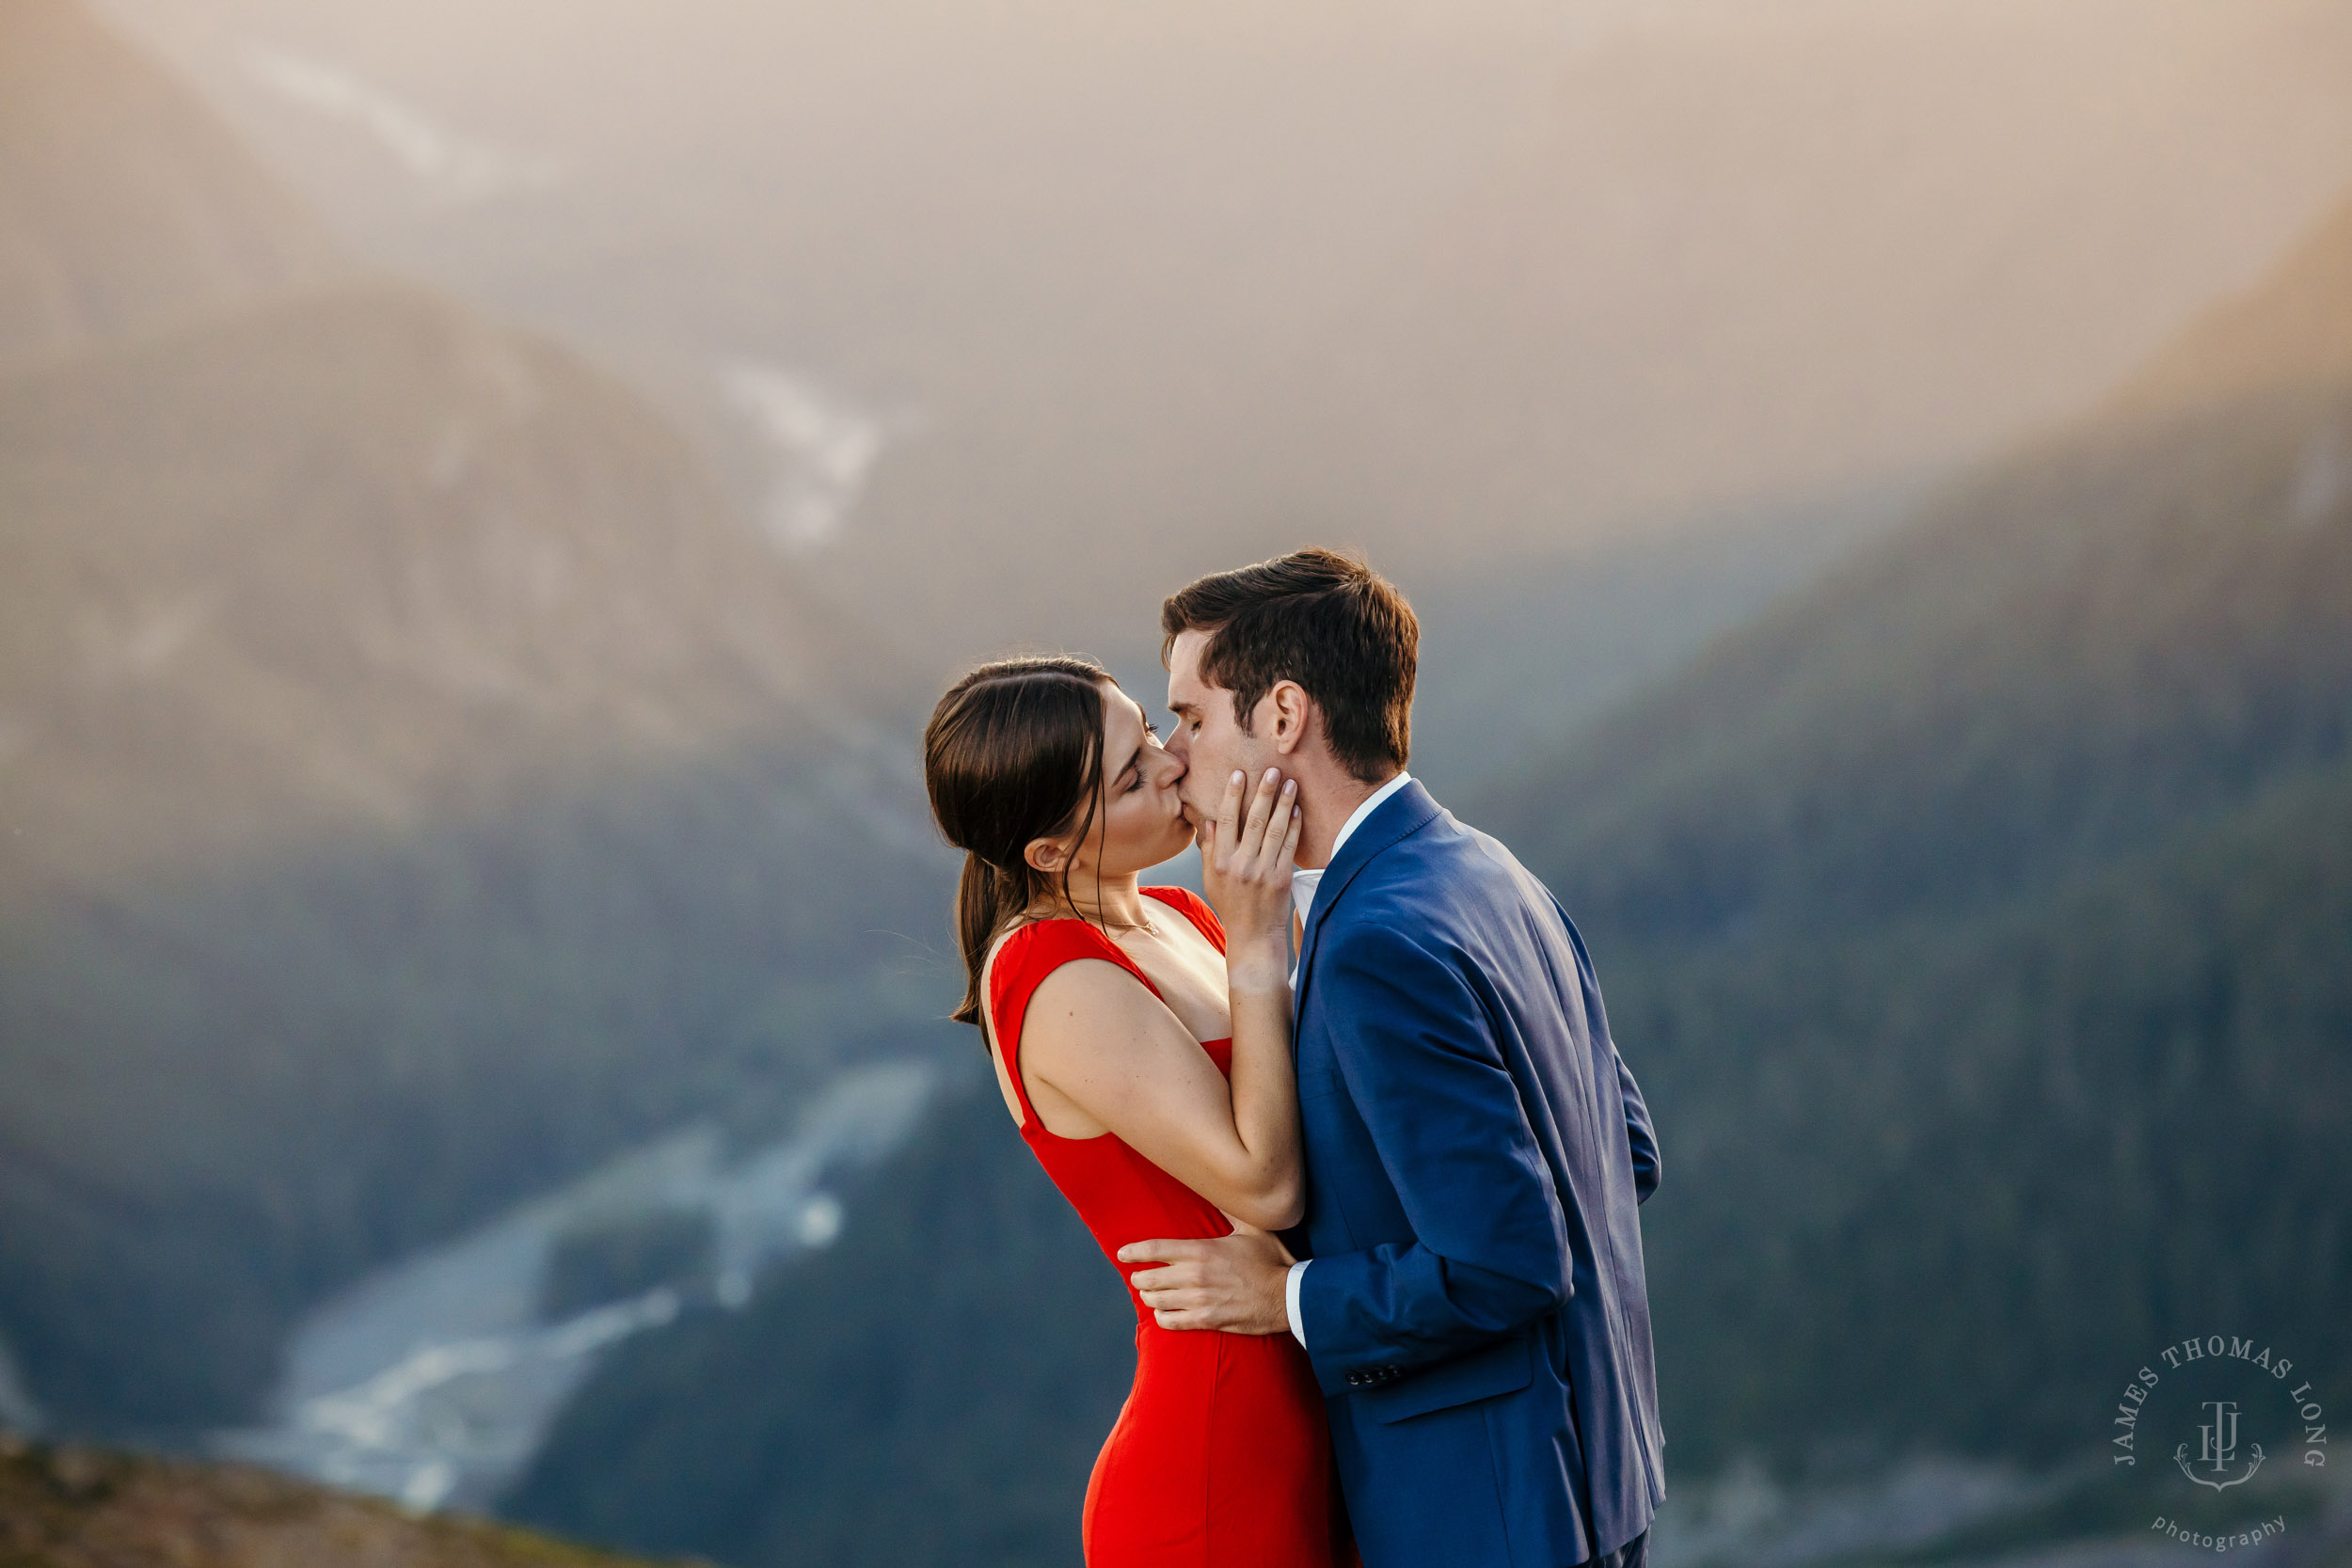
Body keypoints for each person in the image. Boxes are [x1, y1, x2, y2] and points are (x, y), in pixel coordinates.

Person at [1118, 549, 1666, 1568]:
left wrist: (1280, 1295)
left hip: (1482, 1513)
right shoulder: (1488, 868)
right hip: (1595, 1476)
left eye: (1191, 717)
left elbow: (1503, 1260)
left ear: (1283, 715)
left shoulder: (1373, 944)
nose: (1174, 754)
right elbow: (1622, 1149)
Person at [923, 654, 1352, 1567]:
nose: (1169, 763)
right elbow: (1266, 1185)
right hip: (1217, 1454)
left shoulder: (1176, 914)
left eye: (1150, 733)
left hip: (1314, 1410)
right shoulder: (1050, 969)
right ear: (1048, 852)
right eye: (1130, 775)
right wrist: (1254, 935)